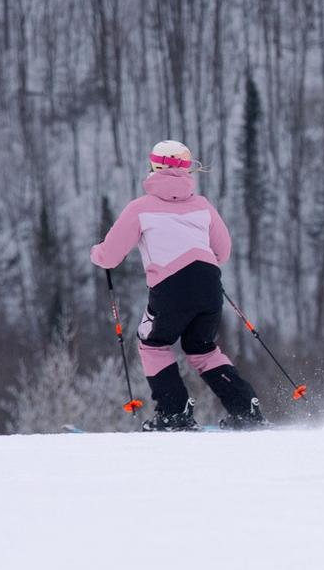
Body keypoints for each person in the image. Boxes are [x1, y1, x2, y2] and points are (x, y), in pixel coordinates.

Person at [90, 140, 265, 431]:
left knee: (153, 343)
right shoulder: (203, 206)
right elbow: (223, 252)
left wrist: (96, 253)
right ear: (187, 168)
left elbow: (109, 256)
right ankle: (246, 409)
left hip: (170, 288)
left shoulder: (140, 209)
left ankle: (175, 413)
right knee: (202, 349)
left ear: (154, 166)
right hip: (209, 284)